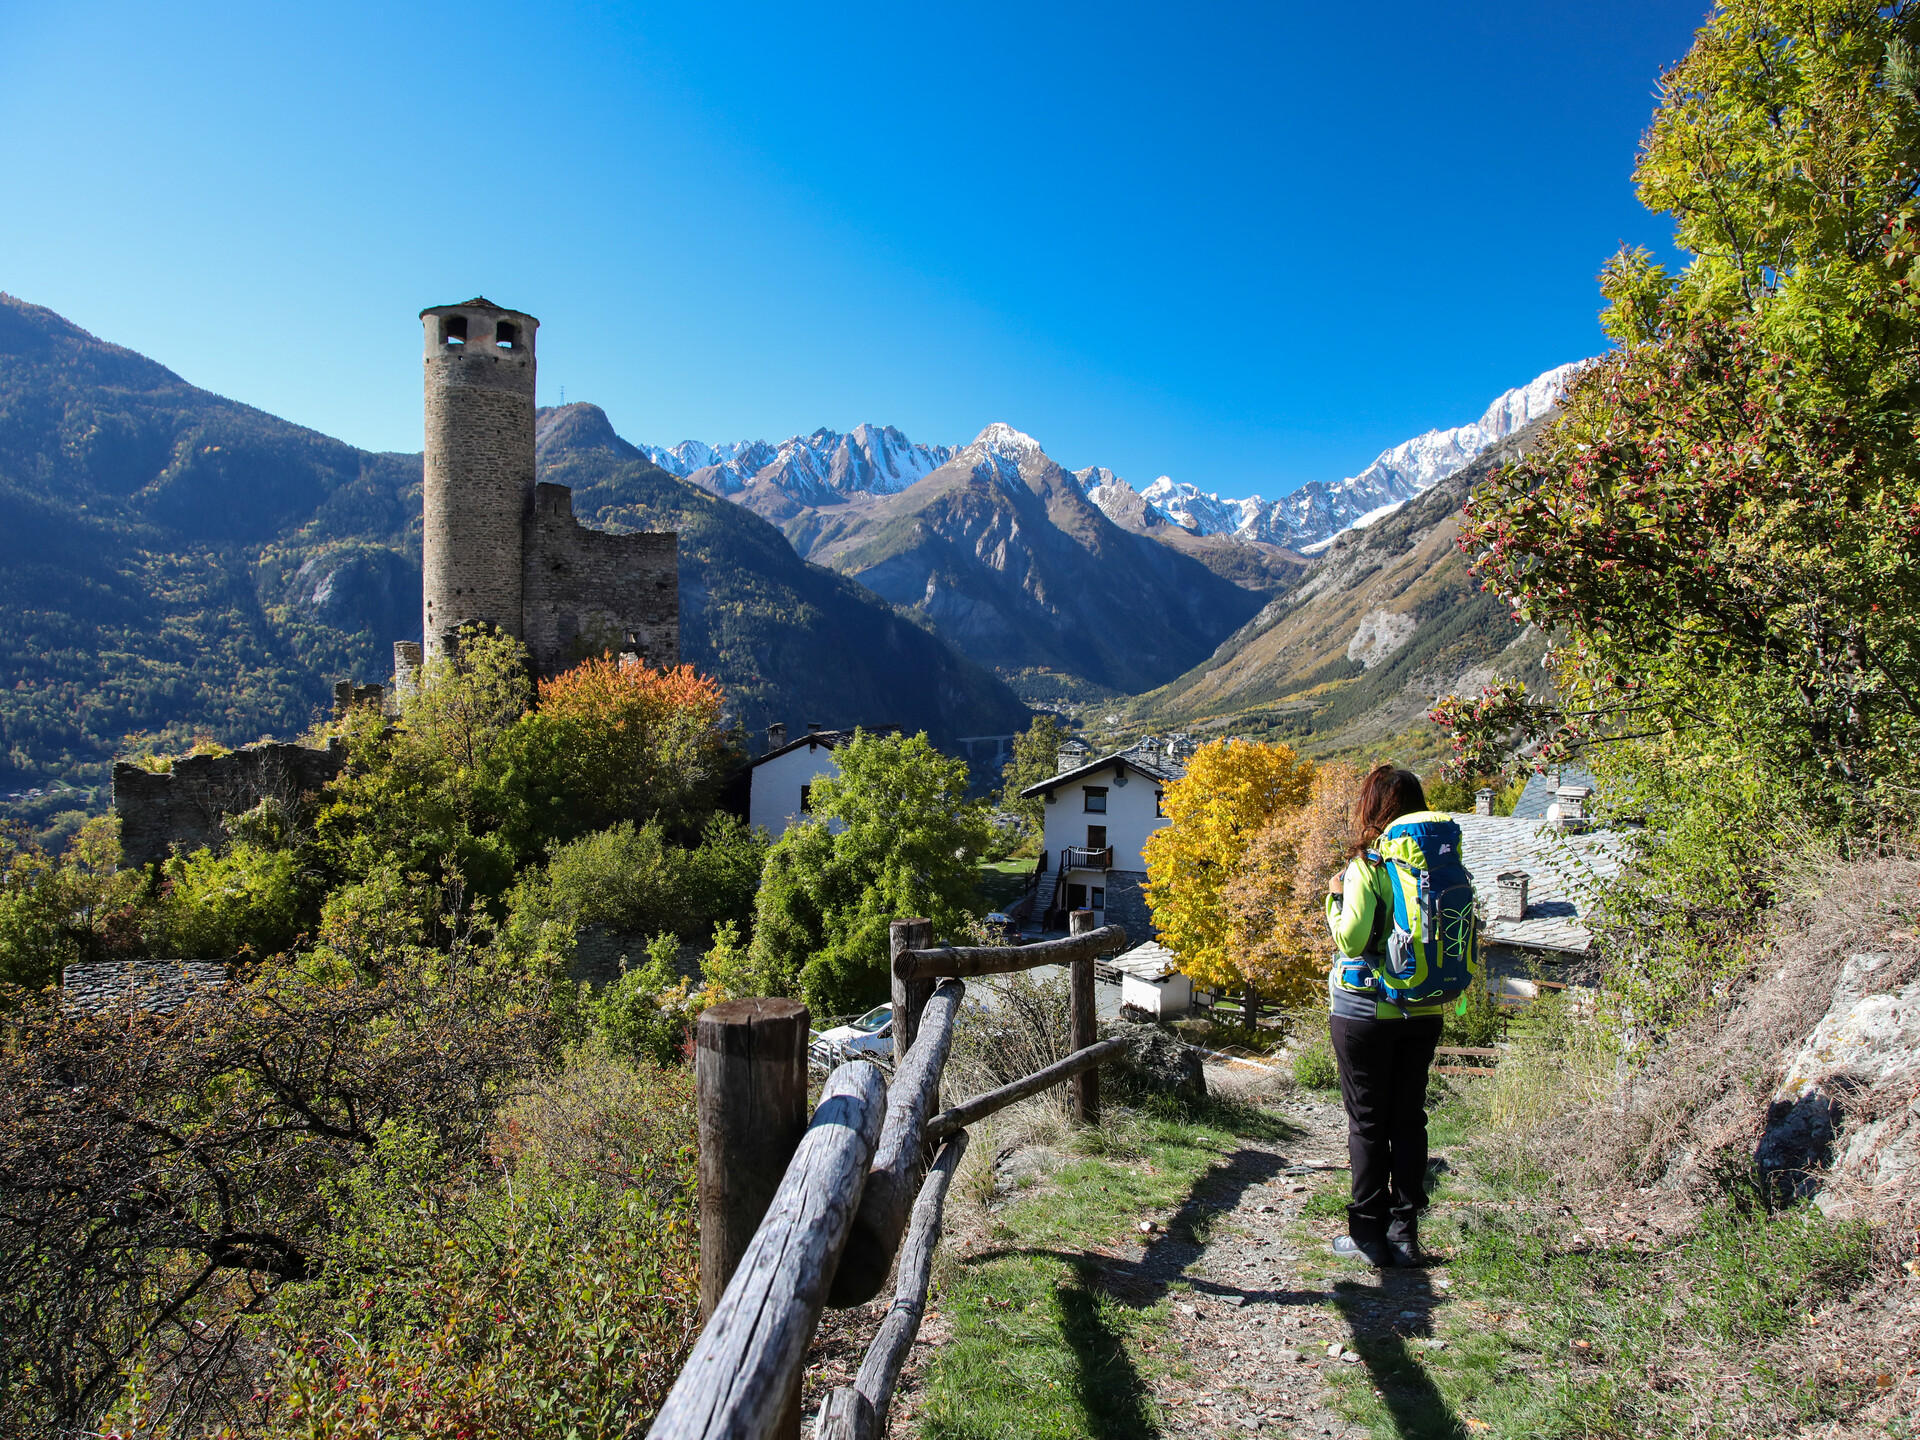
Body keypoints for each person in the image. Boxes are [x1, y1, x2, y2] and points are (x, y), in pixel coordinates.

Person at [1321, 764, 1454, 1267]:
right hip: (1423, 1008)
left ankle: (1367, 1236)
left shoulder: (1369, 867)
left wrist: (1334, 901)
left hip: (1365, 1012)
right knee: (1409, 1117)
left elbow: (1352, 939)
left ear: (1371, 809)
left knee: (1368, 1123)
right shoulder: (1439, 867)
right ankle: (1405, 1233)